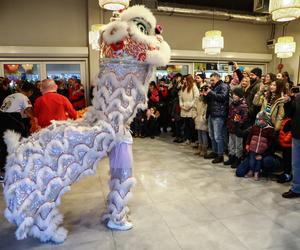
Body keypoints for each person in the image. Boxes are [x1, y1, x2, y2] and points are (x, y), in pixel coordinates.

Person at [0, 81, 34, 182]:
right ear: (30, 92)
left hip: (2, 120)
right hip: (13, 121)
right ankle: (15, 169)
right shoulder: (23, 97)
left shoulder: (10, 96)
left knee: (3, 145)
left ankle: (2, 171)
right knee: (16, 144)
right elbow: (28, 111)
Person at [203, 72, 229, 163]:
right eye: (211, 80)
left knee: (218, 136)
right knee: (212, 135)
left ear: (218, 78)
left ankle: (220, 155)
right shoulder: (213, 87)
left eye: (213, 80)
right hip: (211, 113)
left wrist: (211, 92)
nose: (211, 82)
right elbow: (209, 101)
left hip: (219, 114)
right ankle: (214, 151)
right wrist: (205, 95)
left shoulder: (223, 86)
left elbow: (223, 97)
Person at [245, 111, 276, 181]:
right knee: (252, 160)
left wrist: (265, 152)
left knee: (258, 161)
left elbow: (271, 143)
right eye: (257, 119)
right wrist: (247, 144)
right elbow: (249, 136)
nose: (258, 121)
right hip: (253, 148)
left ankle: (257, 172)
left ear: (265, 120)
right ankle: (251, 170)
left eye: (259, 119)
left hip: (261, 150)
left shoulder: (270, 129)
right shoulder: (254, 127)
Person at [224, 87, 249, 168]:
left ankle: (238, 160)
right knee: (231, 144)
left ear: (240, 95)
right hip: (231, 127)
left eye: (235, 94)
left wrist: (238, 124)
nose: (233, 96)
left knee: (238, 145)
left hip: (238, 129)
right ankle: (231, 157)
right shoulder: (233, 104)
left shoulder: (243, 105)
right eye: (233, 94)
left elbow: (244, 118)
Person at [282, 92, 300, 198]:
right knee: (296, 164)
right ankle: (296, 188)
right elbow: (289, 114)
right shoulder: (298, 97)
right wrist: (288, 103)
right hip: (297, 134)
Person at [179, 74, 199, 144]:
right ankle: (187, 139)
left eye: (185, 79)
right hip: (184, 108)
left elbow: (196, 98)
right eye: (183, 79)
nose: (184, 81)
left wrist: (189, 106)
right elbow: (180, 97)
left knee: (192, 126)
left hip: (191, 109)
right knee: (186, 126)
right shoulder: (183, 87)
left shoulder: (194, 87)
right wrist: (181, 105)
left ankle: (194, 140)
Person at [194, 83, 209, 157]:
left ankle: (204, 149)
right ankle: (199, 148)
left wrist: (204, 117)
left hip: (203, 119)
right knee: (199, 133)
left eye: (204, 91)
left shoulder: (207, 101)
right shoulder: (198, 99)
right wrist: (194, 115)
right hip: (197, 118)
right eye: (201, 91)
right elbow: (194, 107)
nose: (202, 93)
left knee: (203, 133)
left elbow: (207, 110)